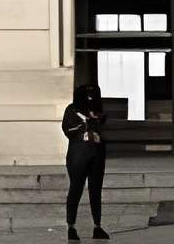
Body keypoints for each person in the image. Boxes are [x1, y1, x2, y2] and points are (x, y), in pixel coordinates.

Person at [62, 80, 108, 241]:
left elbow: (101, 127)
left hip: (96, 154)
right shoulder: (72, 110)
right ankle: (71, 226)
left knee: (96, 190)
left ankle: (97, 225)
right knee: (76, 188)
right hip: (78, 155)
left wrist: (96, 119)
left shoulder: (97, 110)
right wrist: (85, 125)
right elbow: (67, 130)